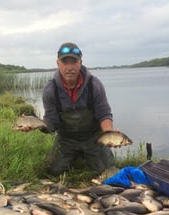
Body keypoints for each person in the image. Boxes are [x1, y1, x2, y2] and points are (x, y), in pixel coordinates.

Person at [22, 42, 116, 177]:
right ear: (58, 63)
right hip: (66, 138)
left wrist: (109, 134)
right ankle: (77, 155)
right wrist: (37, 125)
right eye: (65, 62)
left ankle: (85, 154)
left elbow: (104, 114)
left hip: (93, 137)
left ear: (80, 63)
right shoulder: (50, 90)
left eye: (74, 62)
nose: (69, 67)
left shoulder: (94, 85)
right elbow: (51, 121)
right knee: (53, 171)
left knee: (108, 171)